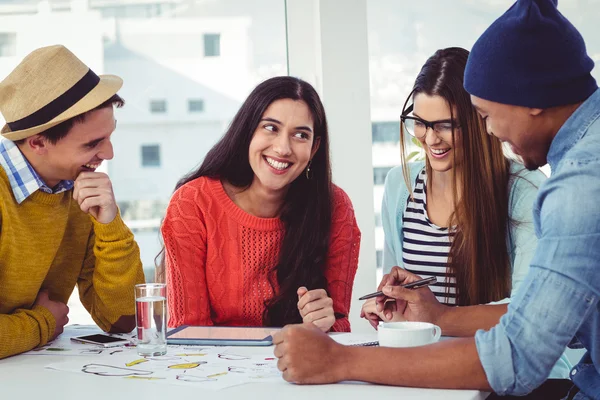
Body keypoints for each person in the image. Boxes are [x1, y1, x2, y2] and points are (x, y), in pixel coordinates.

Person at [272, 1, 600, 399]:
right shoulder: (582, 166)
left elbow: (517, 356)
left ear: (532, 98)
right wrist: (425, 315)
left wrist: (340, 361)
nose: (491, 130)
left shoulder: (577, 189)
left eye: (485, 115)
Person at [360, 47, 570, 379]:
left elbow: (534, 317)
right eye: (419, 122)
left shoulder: (523, 190)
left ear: (478, 121)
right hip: (434, 373)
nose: (430, 139)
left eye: (445, 125)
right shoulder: (400, 188)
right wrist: (392, 308)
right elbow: (407, 299)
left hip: (511, 379)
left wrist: (440, 316)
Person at [161, 76, 360, 332]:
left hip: (297, 365)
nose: (283, 148)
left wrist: (323, 324)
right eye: (271, 128)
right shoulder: (192, 203)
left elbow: (339, 325)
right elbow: (188, 332)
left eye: (300, 135)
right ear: (248, 131)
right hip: (214, 368)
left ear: (314, 149)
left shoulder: (336, 207)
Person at [0, 45, 145, 359]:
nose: (108, 154)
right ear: (38, 142)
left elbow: (122, 321)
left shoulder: (81, 193)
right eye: (93, 143)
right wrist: (43, 323)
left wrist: (110, 226)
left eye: (109, 136)